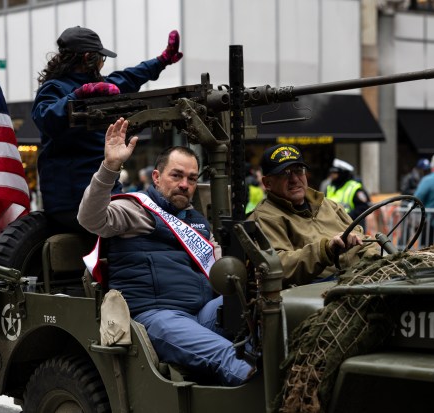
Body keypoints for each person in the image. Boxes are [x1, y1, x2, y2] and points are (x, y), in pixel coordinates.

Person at [77, 118, 253, 386]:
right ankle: (273, 397)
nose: (185, 184)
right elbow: (90, 218)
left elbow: (218, 265)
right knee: (229, 355)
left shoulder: (197, 221)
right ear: (157, 178)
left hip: (202, 313)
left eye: (192, 178)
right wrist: (110, 167)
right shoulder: (135, 210)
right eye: (176, 175)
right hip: (157, 317)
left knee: (262, 312)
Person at [33, 26, 183, 233]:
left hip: (107, 193)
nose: (103, 63)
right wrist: (78, 96)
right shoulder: (55, 88)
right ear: (89, 58)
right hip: (71, 201)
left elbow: (130, 76)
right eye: (101, 58)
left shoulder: (100, 87)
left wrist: (162, 60)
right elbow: (45, 118)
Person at [247, 144, 380, 287]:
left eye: (298, 171)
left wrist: (379, 258)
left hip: (359, 280)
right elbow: (276, 267)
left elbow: (361, 240)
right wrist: (325, 250)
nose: (294, 179)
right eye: (284, 173)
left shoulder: (328, 205)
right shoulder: (265, 217)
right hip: (320, 290)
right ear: (267, 183)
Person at [324, 158, 372, 230]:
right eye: (332, 173)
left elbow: (363, 207)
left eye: (335, 173)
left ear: (342, 174)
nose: (332, 175)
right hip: (334, 226)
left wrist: (345, 217)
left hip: (353, 227)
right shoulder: (330, 187)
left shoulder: (354, 187)